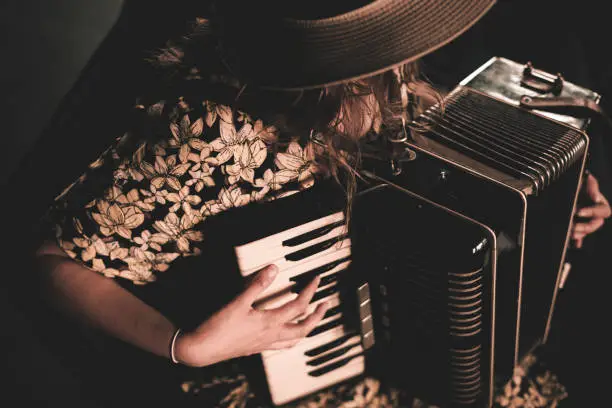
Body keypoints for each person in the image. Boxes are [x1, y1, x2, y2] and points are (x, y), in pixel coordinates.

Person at [8, 0, 577, 406]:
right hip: (280, 377)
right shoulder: (217, 135)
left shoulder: (397, 61)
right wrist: (191, 347)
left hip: (403, 340)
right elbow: (48, 263)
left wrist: (540, 206)